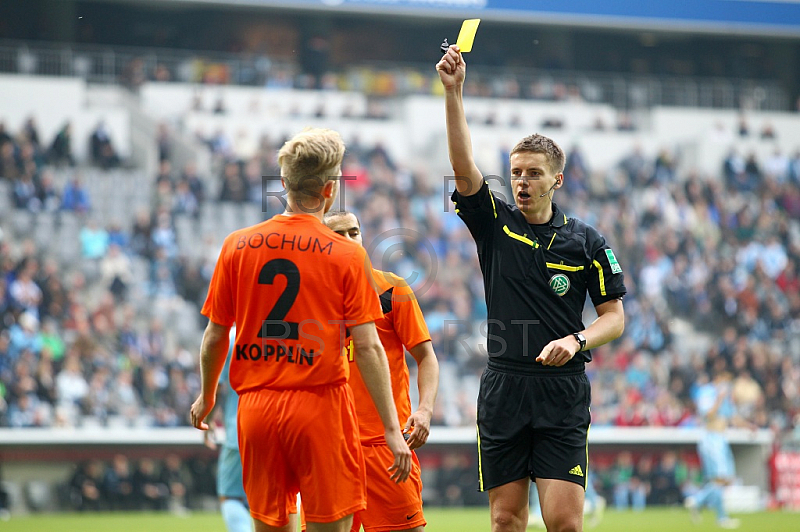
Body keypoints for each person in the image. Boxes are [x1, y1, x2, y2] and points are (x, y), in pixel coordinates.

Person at [437, 46, 626, 532]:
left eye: (533, 173)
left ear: (556, 180)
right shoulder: (495, 224)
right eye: (516, 172)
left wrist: (576, 340)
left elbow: (615, 318)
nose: (521, 181)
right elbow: (463, 169)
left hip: (562, 393)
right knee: (506, 521)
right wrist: (454, 93)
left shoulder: (588, 240)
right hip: (504, 386)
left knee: (564, 524)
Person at [190, 128, 411, 532]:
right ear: (329, 191)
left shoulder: (237, 245)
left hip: (255, 409)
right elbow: (368, 347)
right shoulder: (347, 254)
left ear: (284, 185)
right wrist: (392, 431)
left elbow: (215, 338)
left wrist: (206, 397)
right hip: (319, 405)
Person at [324, 210, 440, 532]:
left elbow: (426, 356)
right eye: (338, 234)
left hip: (386, 446)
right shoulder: (311, 297)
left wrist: (425, 409)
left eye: (354, 232)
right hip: (329, 447)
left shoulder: (392, 289)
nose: (349, 240)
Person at [204, 328, 258, 532]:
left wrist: (207, 421)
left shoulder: (232, 336)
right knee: (274, 499)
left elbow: (217, 386)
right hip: (276, 426)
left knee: (230, 494)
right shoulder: (277, 330)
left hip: (239, 430)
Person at [684, 371, 741, 529]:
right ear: (717, 379)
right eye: (724, 380)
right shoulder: (707, 393)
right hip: (711, 439)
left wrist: (750, 427)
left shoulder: (725, 397)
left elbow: (733, 417)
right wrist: (719, 399)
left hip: (721, 439)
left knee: (726, 480)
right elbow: (708, 415)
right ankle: (700, 501)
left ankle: (706, 506)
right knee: (720, 479)